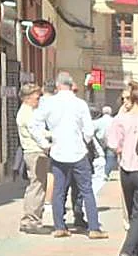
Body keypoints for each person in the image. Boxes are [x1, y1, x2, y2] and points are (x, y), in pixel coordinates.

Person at [31, 71, 108, 239]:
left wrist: (45, 145)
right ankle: (94, 228)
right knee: (86, 190)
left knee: (59, 191)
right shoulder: (80, 104)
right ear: (71, 85)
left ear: (58, 85)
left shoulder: (48, 103)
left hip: (58, 151)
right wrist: (83, 141)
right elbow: (88, 130)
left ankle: (60, 226)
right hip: (78, 152)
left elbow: (34, 125)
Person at [106, 81, 138, 256]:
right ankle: (127, 252)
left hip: (125, 170)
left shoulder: (119, 119)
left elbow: (112, 143)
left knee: (134, 212)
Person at [17, 84, 50, 233]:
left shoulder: (27, 111)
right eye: (37, 97)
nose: (39, 100)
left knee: (35, 186)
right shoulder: (27, 113)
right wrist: (48, 142)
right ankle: (32, 221)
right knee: (37, 187)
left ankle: (30, 219)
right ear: (28, 97)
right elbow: (36, 131)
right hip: (35, 152)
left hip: (33, 152)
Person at [94, 104, 116, 179]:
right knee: (110, 158)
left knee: (101, 157)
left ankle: (99, 172)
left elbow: (91, 130)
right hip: (111, 141)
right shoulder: (114, 120)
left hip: (100, 142)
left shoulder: (99, 121)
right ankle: (106, 173)